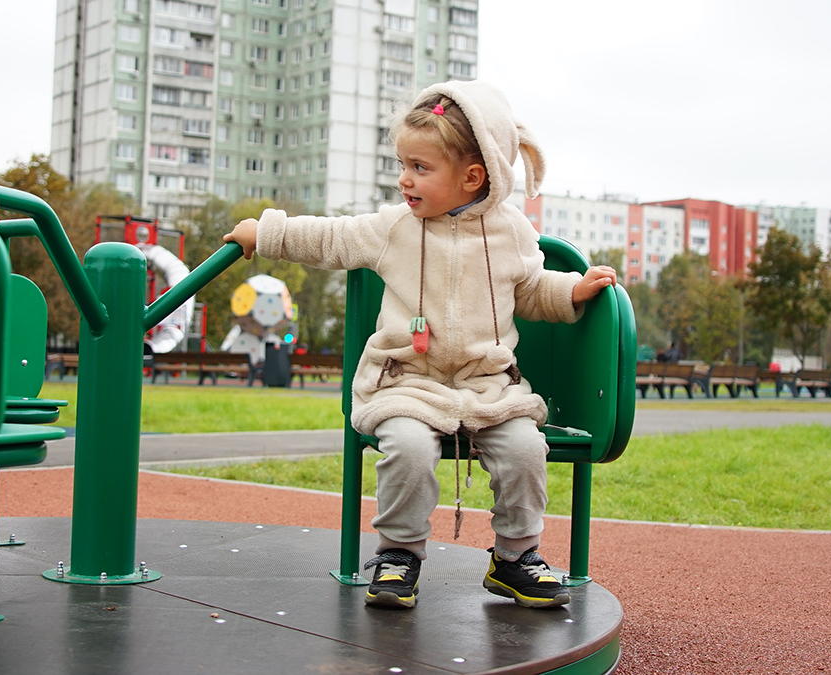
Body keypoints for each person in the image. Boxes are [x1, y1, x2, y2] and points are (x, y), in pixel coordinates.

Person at [224, 81, 616, 610]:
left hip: (488, 388)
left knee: (526, 450)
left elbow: (528, 289)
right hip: (406, 382)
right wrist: (267, 233)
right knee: (407, 449)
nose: (404, 178)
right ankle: (398, 554)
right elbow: (330, 238)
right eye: (402, 163)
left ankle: (516, 558)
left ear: (473, 177)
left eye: (420, 167)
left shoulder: (512, 232)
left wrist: (572, 290)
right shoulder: (395, 228)